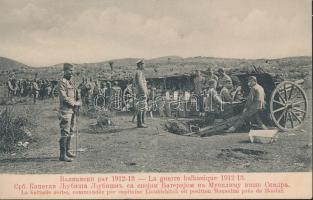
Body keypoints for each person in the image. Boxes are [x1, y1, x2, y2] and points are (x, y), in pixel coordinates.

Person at [58, 63, 81, 162]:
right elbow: (64, 98)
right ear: (65, 71)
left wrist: (79, 100)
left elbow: (75, 94)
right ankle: (62, 155)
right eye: (70, 71)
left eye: (72, 70)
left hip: (72, 110)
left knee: (71, 130)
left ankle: (67, 151)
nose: (72, 72)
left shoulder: (71, 82)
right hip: (65, 110)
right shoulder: (62, 82)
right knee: (65, 131)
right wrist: (75, 104)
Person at [133, 59, 148, 128]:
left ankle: (142, 122)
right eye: (143, 64)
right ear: (140, 65)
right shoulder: (139, 72)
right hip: (141, 92)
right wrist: (144, 91)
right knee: (141, 107)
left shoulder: (139, 72)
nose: (144, 65)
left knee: (143, 107)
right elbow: (139, 83)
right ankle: (140, 123)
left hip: (141, 92)